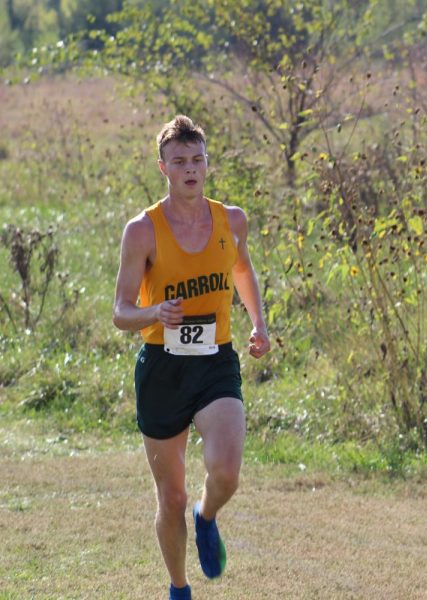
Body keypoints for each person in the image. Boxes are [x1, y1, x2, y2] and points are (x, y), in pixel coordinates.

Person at [113, 115, 270, 600]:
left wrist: (258, 323)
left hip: (214, 361)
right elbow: (120, 312)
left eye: (197, 160)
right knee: (171, 495)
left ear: (207, 164)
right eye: (179, 161)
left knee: (225, 471)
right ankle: (179, 588)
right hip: (162, 367)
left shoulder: (232, 220)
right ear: (163, 168)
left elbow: (242, 270)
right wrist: (155, 311)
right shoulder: (142, 230)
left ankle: (208, 518)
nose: (190, 169)